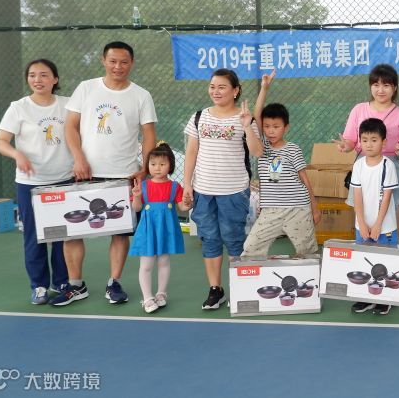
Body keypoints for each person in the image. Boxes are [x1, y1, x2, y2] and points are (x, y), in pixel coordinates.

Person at [53, 41, 157, 307]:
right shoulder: (86, 88)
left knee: (120, 233)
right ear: (103, 61)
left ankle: (114, 283)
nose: (118, 66)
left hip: (124, 174)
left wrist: (145, 168)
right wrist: (78, 159)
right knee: (72, 231)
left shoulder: (141, 95)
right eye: (113, 61)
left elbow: (149, 135)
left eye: (123, 62)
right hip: (84, 173)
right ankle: (75, 285)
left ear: (131, 63)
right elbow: (70, 127)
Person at [0, 59, 74, 304]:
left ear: (55, 79)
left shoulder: (69, 105)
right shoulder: (18, 108)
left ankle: (62, 282)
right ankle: (39, 286)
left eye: (43, 75)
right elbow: (0, 142)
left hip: (64, 180)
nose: (37, 80)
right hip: (30, 184)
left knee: (63, 236)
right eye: (32, 75)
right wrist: (17, 154)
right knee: (34, 236)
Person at [183, 69, 262, 310]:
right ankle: (215, 290)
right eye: (212, 86)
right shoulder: (199, 117)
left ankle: (240, 288)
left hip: (234, 191)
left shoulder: (245, 118)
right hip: (203, 190)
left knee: (234, 238)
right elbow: (191, 152)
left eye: (222, 87)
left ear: (235, 91)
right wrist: (187, 184)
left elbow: (257, 151)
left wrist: (247, 126)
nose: (215, 91)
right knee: (210, 239)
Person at [241, 71, 321, 258]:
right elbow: (257, 114)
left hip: (298, 208)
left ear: (286, 127)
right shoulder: (262, 145)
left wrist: (314, 208)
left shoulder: (293, 149)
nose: (271, 131)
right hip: (271, 210)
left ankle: (308, 276)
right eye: (267, 126)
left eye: (276, 127)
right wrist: (264, 88)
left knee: (307, 252)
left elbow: (304, 179)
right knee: (250, 248)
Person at [334, 64, 399, 217]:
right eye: (376, 85)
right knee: (362, 206)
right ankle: (363, 231)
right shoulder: (358, 109)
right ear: (370, 87)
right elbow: (351, 141)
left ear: (395, 87)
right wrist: (346, 145)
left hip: (390, 163)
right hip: (364, 163)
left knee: (396, 206)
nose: (380, 90)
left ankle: (392, 232)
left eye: (386, 85)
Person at [129, 142, 188, 313]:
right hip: (148, 230)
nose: (157, 168)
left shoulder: (175, 187)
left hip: (166, 230)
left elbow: (183, 207)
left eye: (162, 164)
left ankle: (161, 293)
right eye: (153, 164)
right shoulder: (143, 186)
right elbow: (137, 208)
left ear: (170, 165)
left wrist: (188, 202)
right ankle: (147, 298)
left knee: (164, 262)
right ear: (147, 165)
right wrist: (137, 197)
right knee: (146, 264)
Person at [350, 118, 399, 316]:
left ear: (383, 142)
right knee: (364, 260)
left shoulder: (389, 165)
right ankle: (366, 297)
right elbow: (357, 196)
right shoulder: (358, 165)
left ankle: (384, 299)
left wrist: (378, 224)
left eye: (374, 140)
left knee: (385, 261)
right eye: (364, 140)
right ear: (359, 142)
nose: (369, 144)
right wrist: (362, 223)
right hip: (362, 225)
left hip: (385, 226)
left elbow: (386, 197)